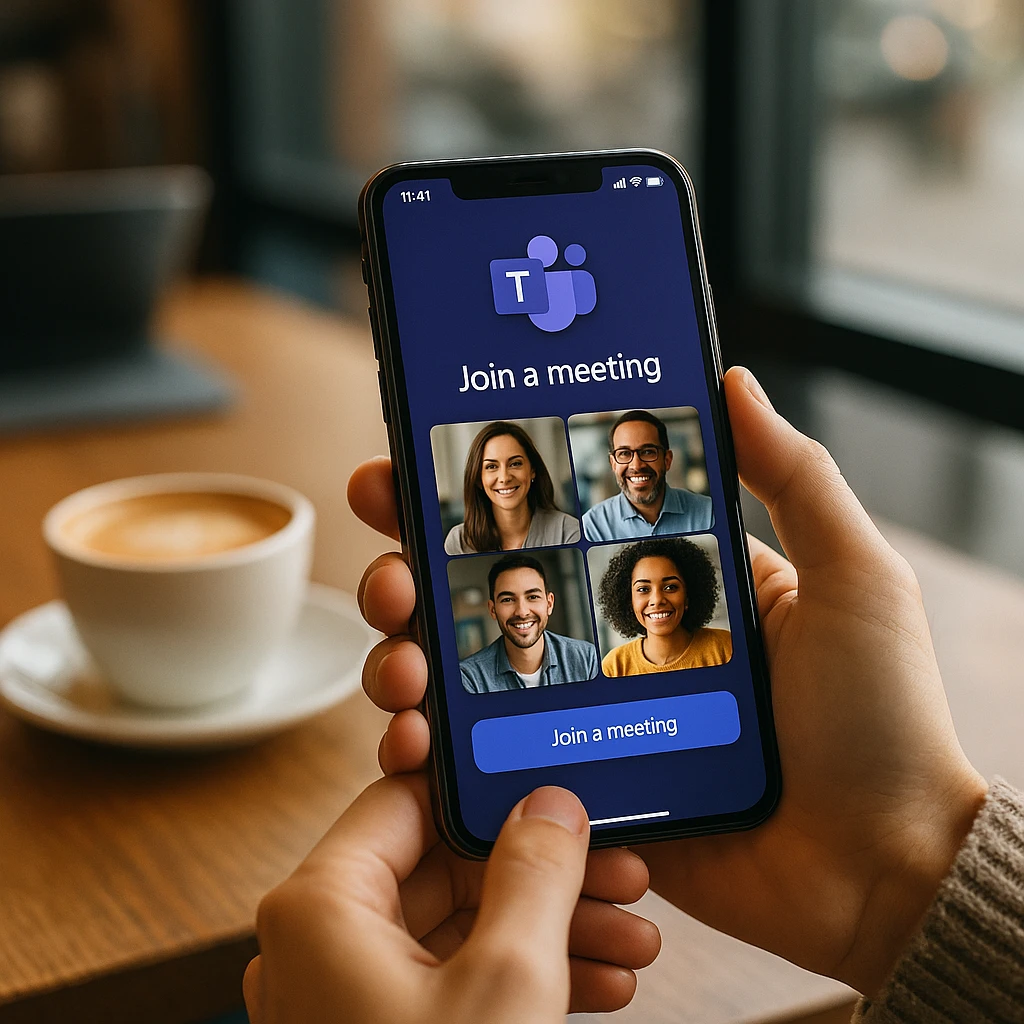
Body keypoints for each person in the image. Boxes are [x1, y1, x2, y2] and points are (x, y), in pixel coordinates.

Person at [247, 367, 1024, 1023]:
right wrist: (900, 885)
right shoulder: (487, 570)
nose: (505, 478)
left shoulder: (635, 600)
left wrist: (906, 865)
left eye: (649, 452)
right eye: (491, 467)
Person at [459, 553, 598, 693]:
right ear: (493, 609)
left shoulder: (586, 658)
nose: (522, 612)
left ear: (549, 604)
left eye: (532, 597)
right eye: (507, 599)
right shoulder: (469, 677)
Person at [597, 537, 732, 675]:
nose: (657, 600)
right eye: (643, 589)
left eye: (670, 587)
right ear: (628, 600)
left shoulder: (725, 647)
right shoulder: (614, 666)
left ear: (688, 596)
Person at [444, 421, 580, 554]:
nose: (504, 477)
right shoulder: (459, 542)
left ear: (532, 470)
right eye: (491, 467)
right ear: (479, 479)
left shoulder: (568, 531)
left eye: (515, 464)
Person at [581, 409, 713, 541]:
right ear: (613, 464)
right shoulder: (592, 526)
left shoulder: (709, 513)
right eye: (624, 453)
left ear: (667, 460)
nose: (636, 466)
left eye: (648, 452)